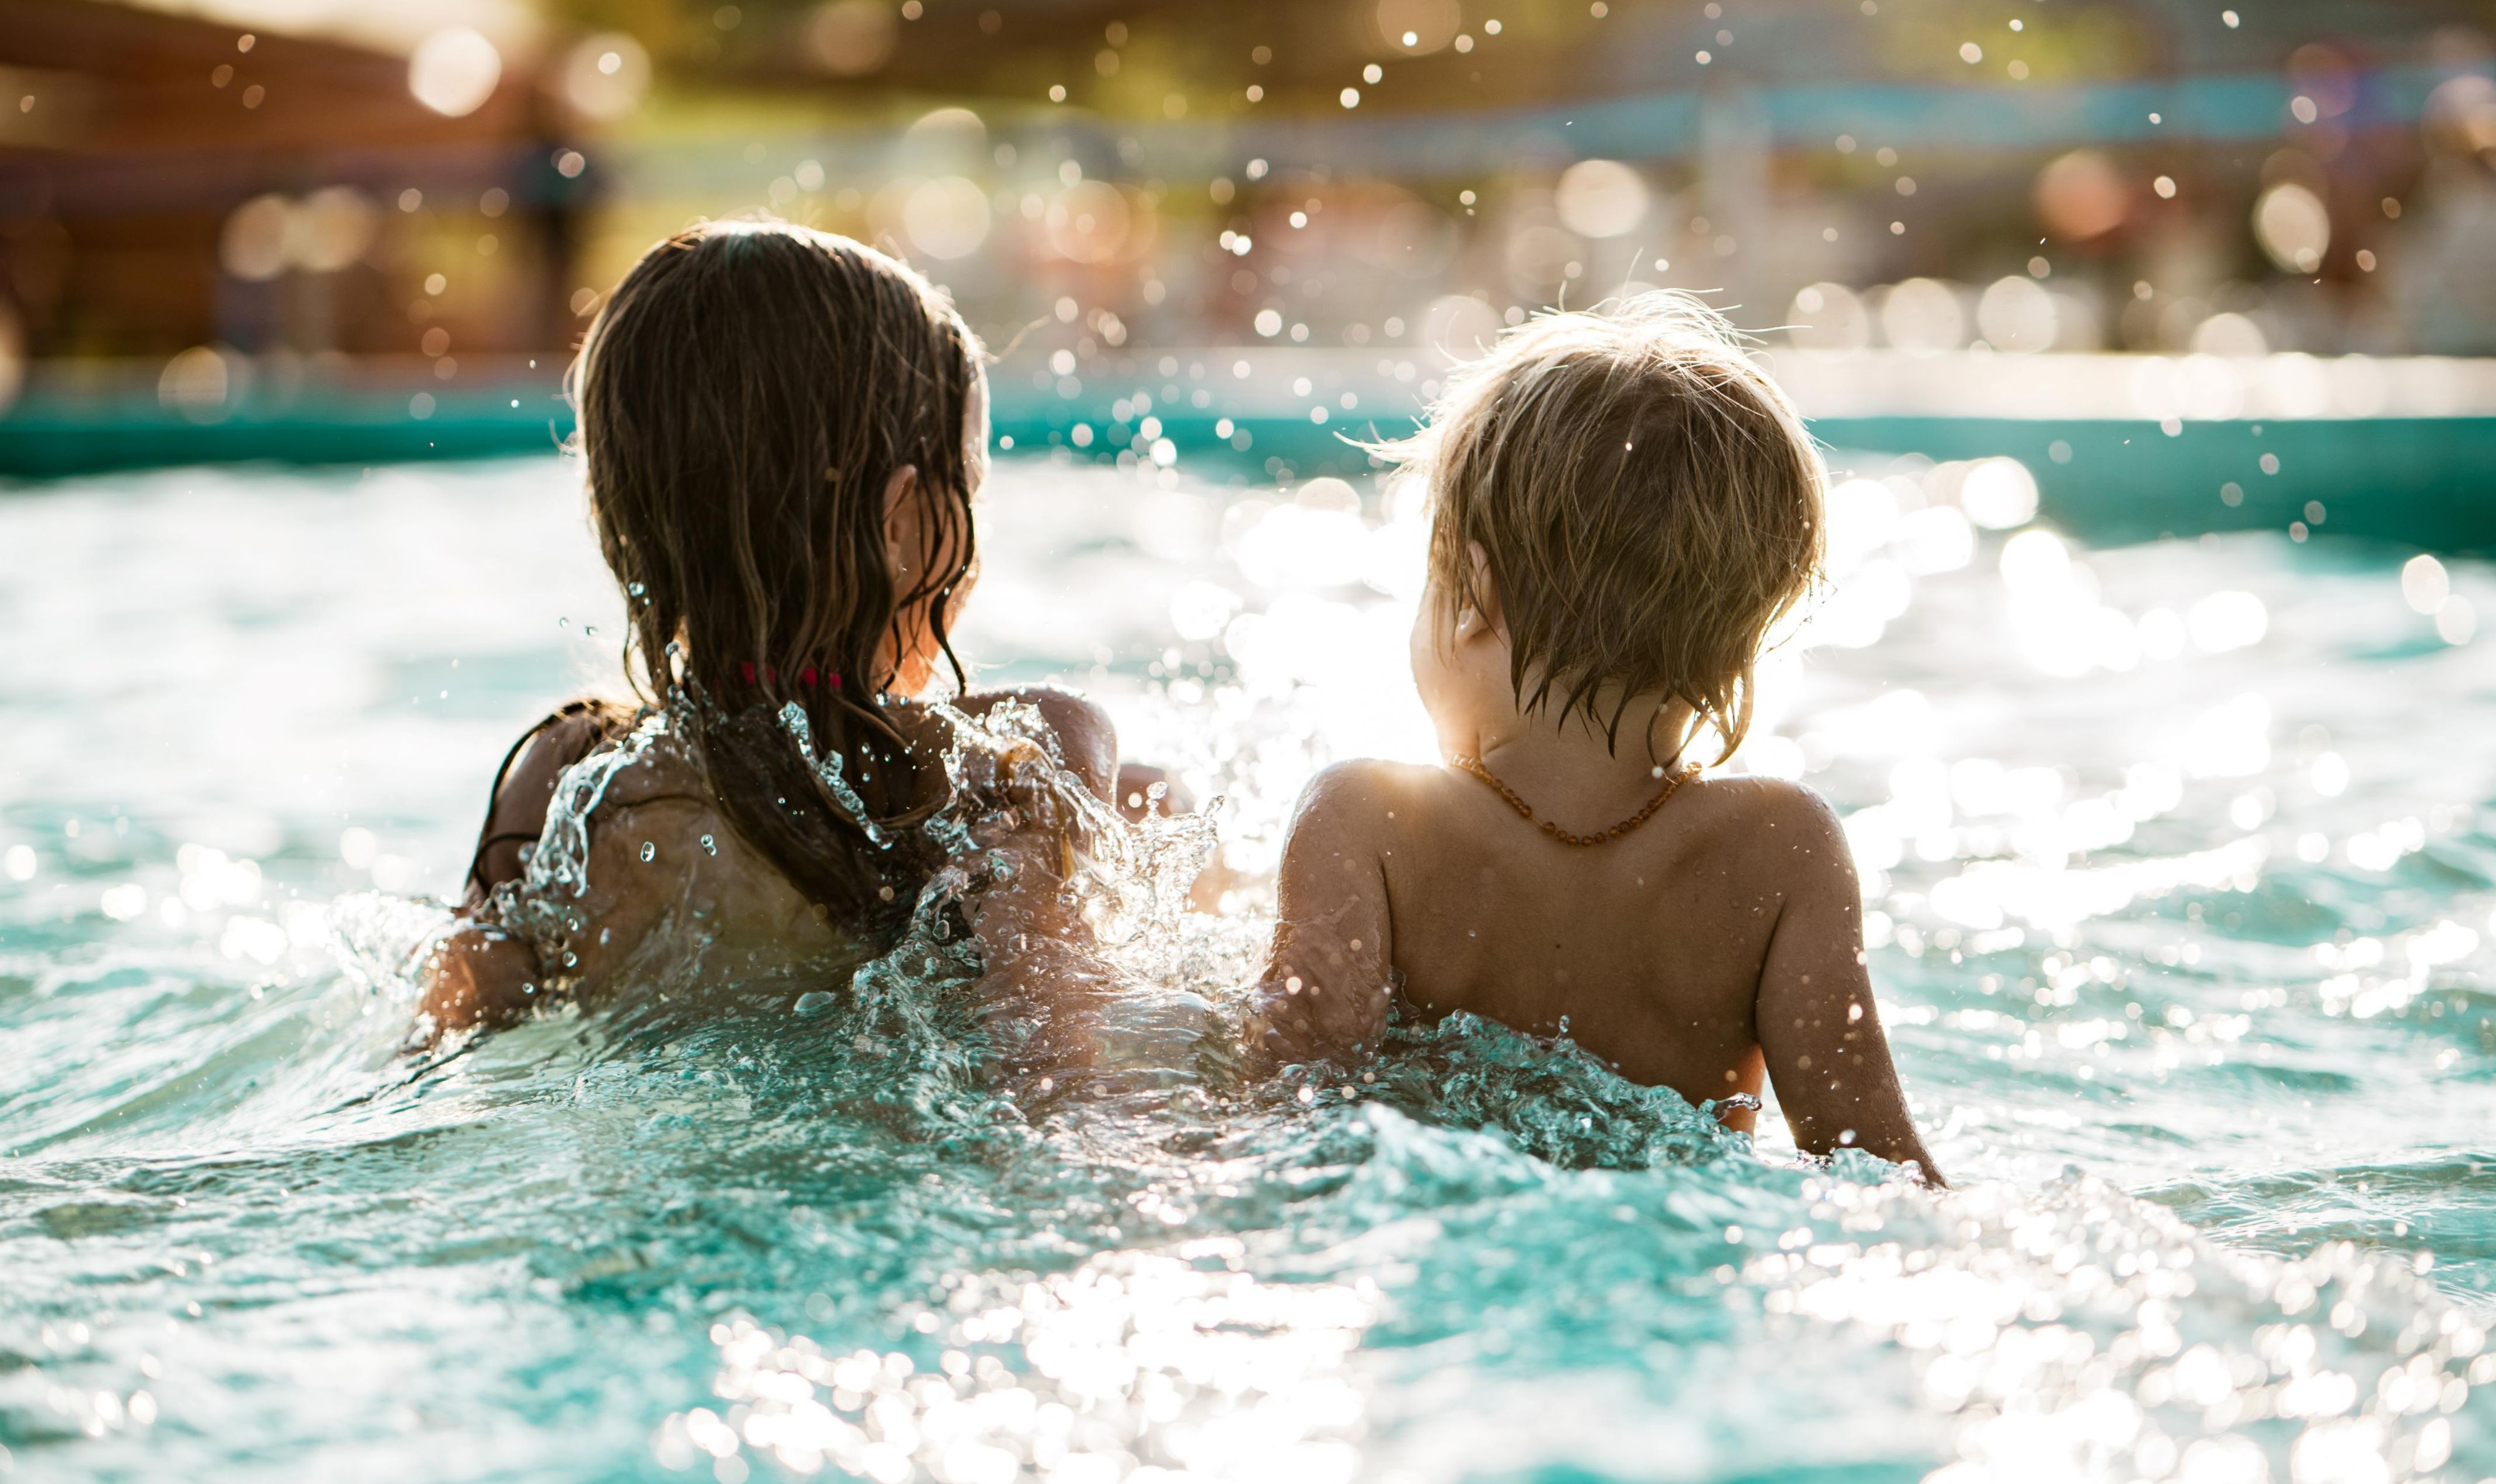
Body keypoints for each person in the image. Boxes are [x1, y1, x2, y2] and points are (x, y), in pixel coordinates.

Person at [1252, 293, 1943, 1184]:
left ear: (1472, 592)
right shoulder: (1784, 849)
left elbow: (1284, 1118)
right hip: (1681, 1268)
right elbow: (1878, 1166)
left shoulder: (1370, 821)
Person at [417, 221, 1129, 1041]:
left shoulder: (567, 777)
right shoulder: (1018, 753)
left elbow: (449, 1030)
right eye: (970, 489)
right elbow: (1051, 1066)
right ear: (901, 526)